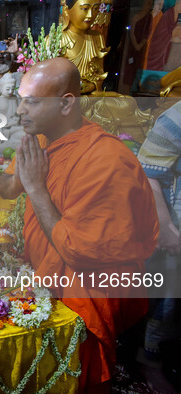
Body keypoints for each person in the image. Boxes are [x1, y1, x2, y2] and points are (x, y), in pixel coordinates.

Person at [0, 57, 158, 392]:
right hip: (45, 267)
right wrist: (19, 176)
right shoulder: (40, 139)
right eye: (21, 100)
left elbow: (79, 250)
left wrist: (37, 188)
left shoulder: (107, 162)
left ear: (66, 103)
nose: (20, 111)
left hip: (86, 284)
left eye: (33, 102)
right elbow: (6, 188)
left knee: (71, 377)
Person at [137, 101, 181, 394]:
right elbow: (146, 174)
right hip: (174, 227)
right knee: (168, 301)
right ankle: (149, 361)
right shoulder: (175, 117)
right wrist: (166, 230)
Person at [61, 0, 109, 94]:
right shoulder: (56, 39)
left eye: (95, 8)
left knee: (126, 101)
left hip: (90, 96)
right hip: (67, 97)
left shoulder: (97, 37)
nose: (90, 15)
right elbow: (49, 78)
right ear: (66, 10)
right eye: (85, 9)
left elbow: (99, 73)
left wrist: (92, 86)